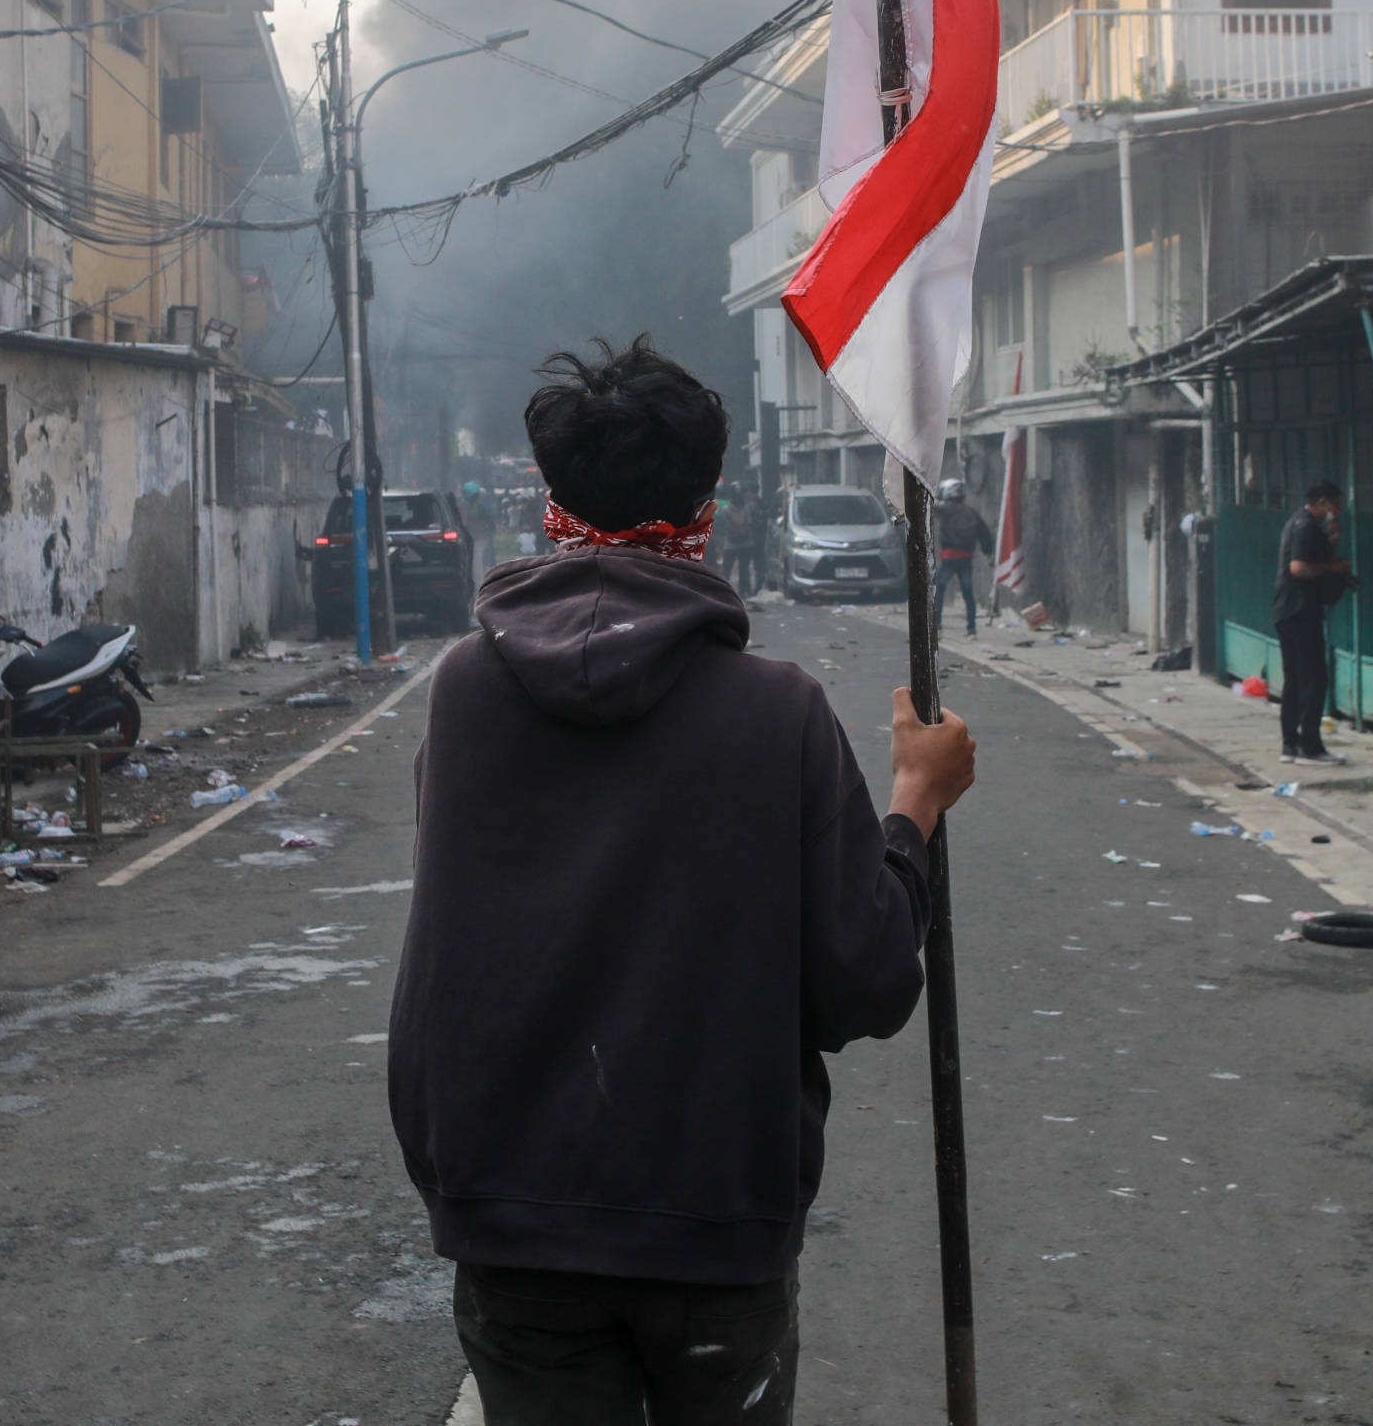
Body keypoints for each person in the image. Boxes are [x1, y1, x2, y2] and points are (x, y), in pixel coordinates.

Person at [389, 336, 977, 1426]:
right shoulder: (777, 710)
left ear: (552, 500)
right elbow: (866, 978)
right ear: (707, 506)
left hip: (507, 1213)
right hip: (713, 1228)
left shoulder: (465, 692)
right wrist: (915, 804)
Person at [1272, 480, 1353, 761]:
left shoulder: (1298, 523)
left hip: (1288, 611)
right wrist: (1335, 567)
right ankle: (1310, 745)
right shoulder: (1306, 526)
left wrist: (1331, 540)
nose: (1336, 510)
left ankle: (1290, 745)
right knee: (1314, 679)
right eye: (1334, 504)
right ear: (1322, 502)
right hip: (1300, 612)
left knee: (1295, 679)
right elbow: (1298, 568)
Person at [932, 480, 995, 637]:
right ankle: (971, 628)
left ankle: (937, 623)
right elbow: (984, 534)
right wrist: (988, 552)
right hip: (966, 558)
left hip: (949, 557)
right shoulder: (971, 512)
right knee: (968, 594)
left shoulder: (944, 509)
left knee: (939, 588)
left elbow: (930, 504)